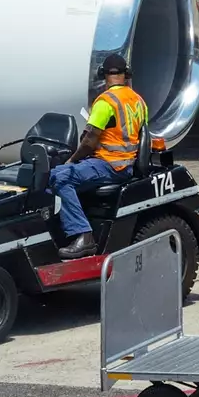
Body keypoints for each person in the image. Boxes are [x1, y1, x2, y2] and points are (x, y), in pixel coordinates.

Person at [48, 51, 150, 255]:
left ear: (103, 75)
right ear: (126, 74)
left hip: (109, 165)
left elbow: (89, 142)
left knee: (59, 176)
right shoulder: (139, 101)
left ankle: (83, 235)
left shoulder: (106, 102)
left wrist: (71, 160)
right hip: (126, 164)